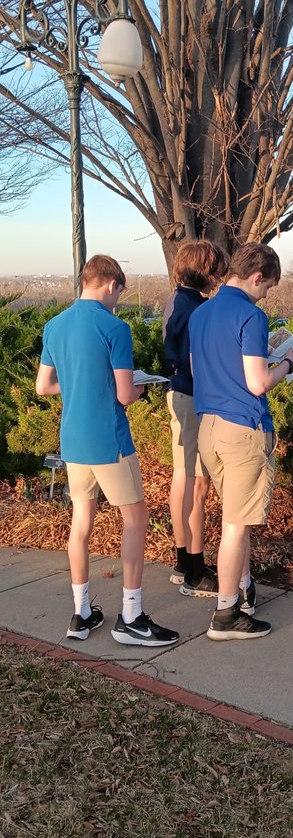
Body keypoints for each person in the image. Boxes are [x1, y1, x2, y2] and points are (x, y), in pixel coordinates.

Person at [35, 254, 179, 648]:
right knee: (135, 520)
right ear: (112, 285)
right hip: (109, 441)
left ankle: (81, 612)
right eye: (119, 293)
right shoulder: (115, 327)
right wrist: (141, 386)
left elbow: (43, 387)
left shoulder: (54, 325)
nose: (117, 300)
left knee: (81, 522)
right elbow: (124, 396)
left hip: (73, 443)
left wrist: (82, 380)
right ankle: (131, 616)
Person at [189, 243, 293, 641]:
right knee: (236, 525)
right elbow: (256, 383)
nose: (266, 295)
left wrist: (261, 351)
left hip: (209, 428)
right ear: (257, 277)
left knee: (235, 517)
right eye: (267, 287)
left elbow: (199, 367)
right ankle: (226, 615)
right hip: (243, 431)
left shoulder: (201, 313)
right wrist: (287, 364)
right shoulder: (251, 316)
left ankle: (242, 590)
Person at [162, 239, 229, 596]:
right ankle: (195, 568)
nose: (219, 278)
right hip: (192, 395)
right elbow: (195, 362)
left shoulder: (176, 299)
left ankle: (182, 560)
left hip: (178, 392)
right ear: (204, 269)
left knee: (183, 477)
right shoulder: (196, 310)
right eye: (216, 269)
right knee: (196, 484)